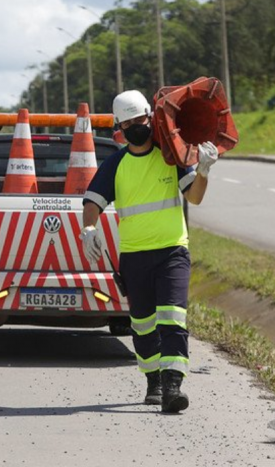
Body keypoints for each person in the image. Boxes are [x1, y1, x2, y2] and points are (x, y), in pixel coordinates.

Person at [79, 90, 219, 413]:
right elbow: (92, 203)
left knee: (172, 319)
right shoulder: (116, 165)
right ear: (120, 128)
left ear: (150, 118)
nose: (134, 127)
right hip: (134, 257)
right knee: (142, 326)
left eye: (139, 121)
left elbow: (194, 198)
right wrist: (89, 229)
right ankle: (153, 380)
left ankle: (173, 386)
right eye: (127, 124)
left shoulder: (171, 156)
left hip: (172, 252)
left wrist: (204, 171)